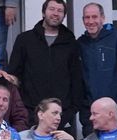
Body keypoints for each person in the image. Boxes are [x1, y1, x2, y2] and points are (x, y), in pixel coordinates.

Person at [6, 0, 81, 129]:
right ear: (43, 12)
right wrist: (22, 109)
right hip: (29, 114)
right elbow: (14, 74)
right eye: (52, 9)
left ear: (64, 16)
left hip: (61, 116)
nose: (55, 14)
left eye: (60, 11)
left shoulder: (71, 43)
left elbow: (77, 79)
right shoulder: (24, 39)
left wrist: (70, 112)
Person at [77, 4, 117, 129]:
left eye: (94, 17)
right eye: (87, 17)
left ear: (102, 18)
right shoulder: (80, 44)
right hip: (90, 113)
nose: (90, 21)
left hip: (116, 110)